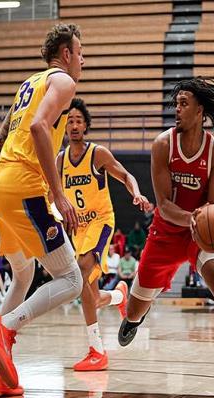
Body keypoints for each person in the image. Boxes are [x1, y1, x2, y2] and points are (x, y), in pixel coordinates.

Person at [118, 77, 214, 398]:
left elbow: (213, 205)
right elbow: (163, 205)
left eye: (183, 104)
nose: (176, 110)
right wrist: (193, 219)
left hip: (197, 237)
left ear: (200, 110)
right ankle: (137, 314)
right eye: (176, 104)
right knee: (132, 313)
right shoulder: (163, 145)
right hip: (165, 232)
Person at [0, 23, 85, 397]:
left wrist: (11, 178)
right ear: (66, 54)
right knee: (71, 280)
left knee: (23, 274)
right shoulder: (63, 82)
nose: (83, 61)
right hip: (25, 188)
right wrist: (57, 194)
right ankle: (5, 327)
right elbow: (40, 128)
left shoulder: (29, 83)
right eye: (80, 53)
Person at [58, 97, 149, 371]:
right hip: (77, 228)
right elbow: (52, 194)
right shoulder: (60, 160)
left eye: (78, 121)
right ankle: (120, 295)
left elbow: (126, 176)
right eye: (70, 121)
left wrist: (136, 193)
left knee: (79, 273)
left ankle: (97, 351)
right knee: (92, 297)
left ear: (86, 126)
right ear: (65, 126)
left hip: (100, 221)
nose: (74, 125)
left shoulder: (97, 154)